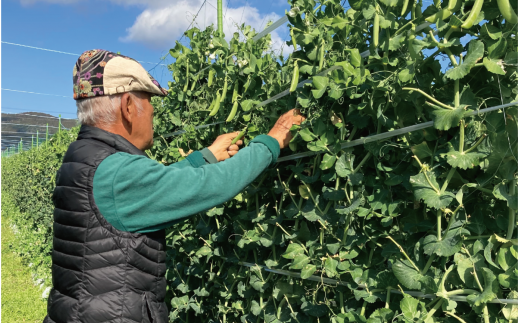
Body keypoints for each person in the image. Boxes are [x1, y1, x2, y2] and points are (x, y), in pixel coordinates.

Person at [43, 49, 304, 323]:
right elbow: (212, 185)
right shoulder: (117, 172)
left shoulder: (86, 158)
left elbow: (155, 186)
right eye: (149, 102)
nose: (153, 111)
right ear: (128, 106)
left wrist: (206, 156)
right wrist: (272, 140)